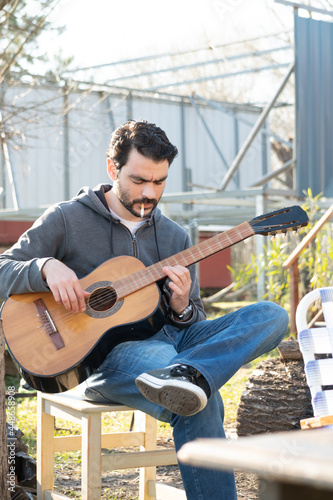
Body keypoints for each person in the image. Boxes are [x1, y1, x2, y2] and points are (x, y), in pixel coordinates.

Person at [0, 119, 289, 499]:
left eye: (160, 182)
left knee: (271, 315)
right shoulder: (67, 219)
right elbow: (4, 268)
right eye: (138, 181)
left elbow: (194, 319)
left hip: (175, 346)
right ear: (112, 168)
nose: (149, 193)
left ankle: (188, 373)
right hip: (107, 358)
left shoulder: (174, 236)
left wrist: (183, 306)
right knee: (197, 399)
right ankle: (188, 377)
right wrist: (43, 267)